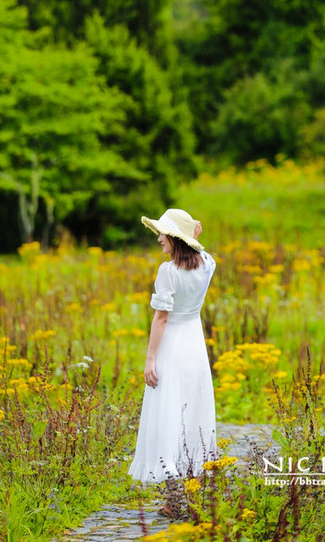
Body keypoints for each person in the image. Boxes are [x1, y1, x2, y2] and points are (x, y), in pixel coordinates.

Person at [128, 208, 217, 510]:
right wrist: (194, 237)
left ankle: (174, 498)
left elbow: (161, 318)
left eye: (164, 234)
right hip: (195, 344)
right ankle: (193, 489)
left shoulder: (168, 272)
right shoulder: (207, 264)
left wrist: (150, 358)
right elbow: (199, 252)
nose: (159, 239)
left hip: (173, 346)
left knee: (167, 412)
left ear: (176, 238)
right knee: (192, 410)